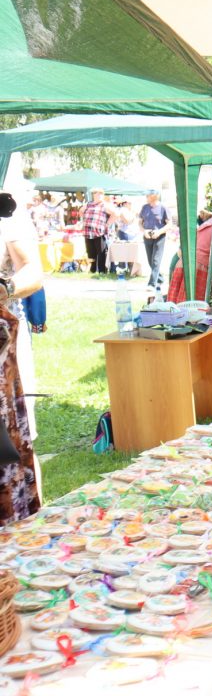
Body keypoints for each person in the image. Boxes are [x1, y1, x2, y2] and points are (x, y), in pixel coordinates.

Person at [0, 192, 42, 523]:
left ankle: (25, 533)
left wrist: (5, 288)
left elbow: (33, 271)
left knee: (13, 448)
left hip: (2, 352)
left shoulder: (8, 220)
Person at [139, 190, 169, 292]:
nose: (146, 197)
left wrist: (159, 232)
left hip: (159, 236)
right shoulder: (145, 207)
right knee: (150, 261)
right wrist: (144, 231)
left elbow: (169, 224)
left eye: (148, 195)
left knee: (156, 260)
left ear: (154, 196)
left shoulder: (163, 208)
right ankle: (160, 278)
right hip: (147, 235)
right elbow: (140, 222)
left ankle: (152, 284)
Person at [80, 188, 113, 274]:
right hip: (88, 231)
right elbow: (80, 211)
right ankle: (92, 270)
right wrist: (84, 220)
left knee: (101, 252)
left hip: (99, 232)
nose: (99, 195)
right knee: (90, 252)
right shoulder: (88, 204)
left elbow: (115, 214)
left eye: (101, 194)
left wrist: (107, 224)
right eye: (97, 193)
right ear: (93, 195)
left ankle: (102, 271)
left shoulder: (105, 205)